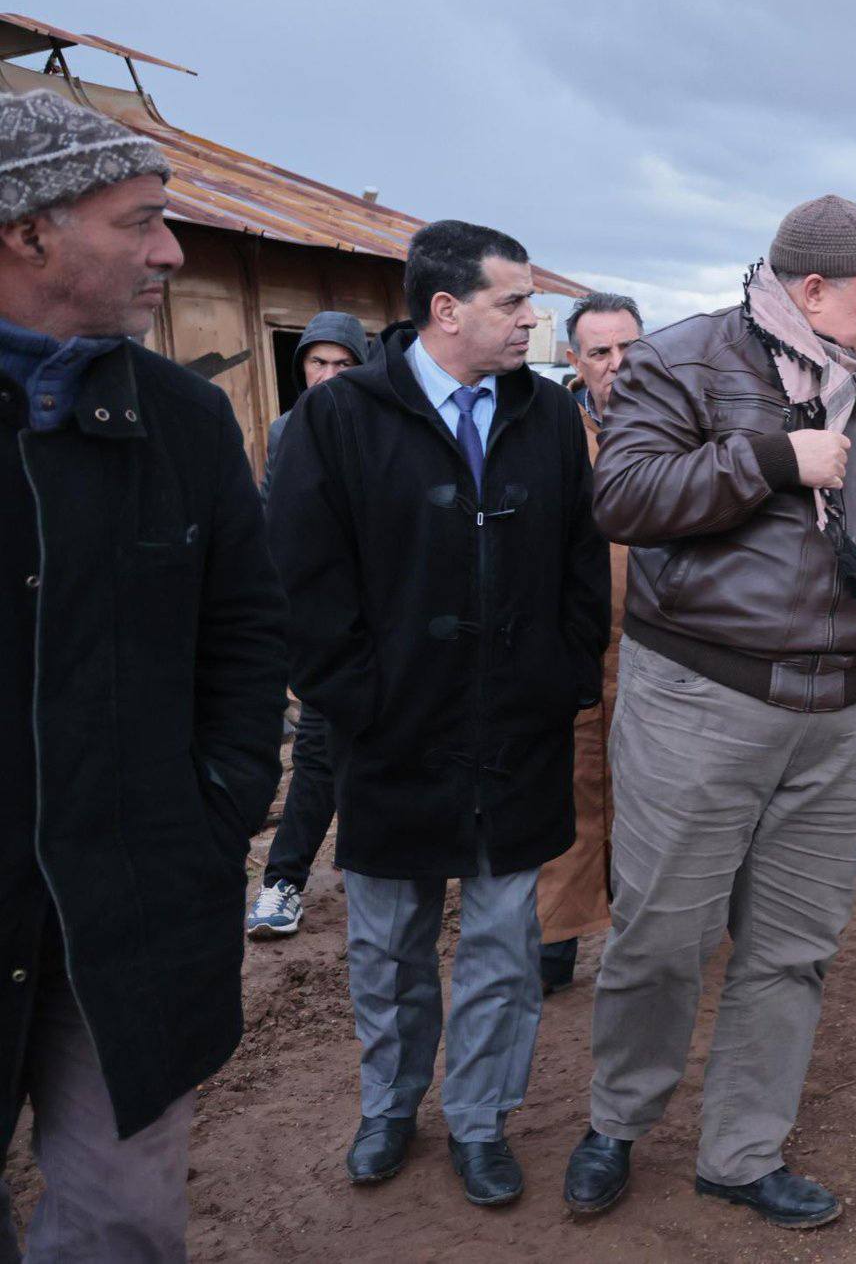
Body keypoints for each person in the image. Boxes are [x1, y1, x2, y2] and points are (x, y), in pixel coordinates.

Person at [563, 194, 856, 1232]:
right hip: (699, 697)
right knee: (662, 929)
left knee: (792, 943)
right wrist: (765, 459)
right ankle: (617, 1117)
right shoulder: (687, 361)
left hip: (836, 712)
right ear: (813, 290)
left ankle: (740, 1150)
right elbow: (621, 496)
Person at [268, 220, 609, 1207]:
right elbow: (300, 580)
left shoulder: (544, 412)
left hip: (516, 730)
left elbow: (580, 559)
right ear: (446, 309)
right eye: (513, 301)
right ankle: (388, 1105)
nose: (532, 319)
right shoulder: (342, 418)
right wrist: (360, 701)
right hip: (390, 737)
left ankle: (478, 1119)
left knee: (506, 947)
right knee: (387, 946)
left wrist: (560, 674)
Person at [1, 88, 286, 1259]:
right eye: (142, 221)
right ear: (29, 231)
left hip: (136, 898)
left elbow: (246, 634)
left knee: (122, 1213)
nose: (170, 250)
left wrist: (214, 809)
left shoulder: (181, 418)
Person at [246, 311, 370, 941]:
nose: (327, 376)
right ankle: (281, 883)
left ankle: (381, 872)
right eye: (317, 364)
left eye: (342, 364)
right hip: (326, 630)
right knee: (319, 754)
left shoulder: (385, 423)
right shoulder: (287, 429)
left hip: (388, 624)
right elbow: (275, 529)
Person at [537, 291, 643, 995]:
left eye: (630, 347)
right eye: (600, 351)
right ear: (575, 360)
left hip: (658, 651)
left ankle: (648, 944)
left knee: (654, 798)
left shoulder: (684, 428)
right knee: (567, 792)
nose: (617, 364)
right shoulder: (549, 435)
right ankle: (556, 937)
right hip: (573, 647)